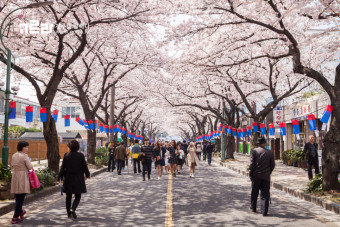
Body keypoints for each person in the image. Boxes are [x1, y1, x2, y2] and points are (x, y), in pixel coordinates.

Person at [58, 140, 91, 219]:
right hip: (78, 178)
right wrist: (88, 174)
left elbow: (63, 168)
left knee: (68, 196)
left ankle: (68, 213)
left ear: (69, 147)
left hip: (68, 178)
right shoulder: (81, 155)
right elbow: (84, 166)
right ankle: (73, 208)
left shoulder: (66, 155)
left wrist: (60, 176)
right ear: (78, 147)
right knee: (78, 196)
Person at [249, 137, 275, 216]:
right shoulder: (270, 152)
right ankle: (264, 211)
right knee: (265, 194)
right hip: (266, 176)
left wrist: (251, 173)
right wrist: (269, 172)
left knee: (254, 192)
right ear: (264, 144)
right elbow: (272, 165)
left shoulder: (254, 151)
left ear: (258, 144)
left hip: (256, 175)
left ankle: (253, 207)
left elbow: (251, 164)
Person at [10, 141, 33, 224]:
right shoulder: (24, 156)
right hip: (22, 177)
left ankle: (20, 212)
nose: (27, 148)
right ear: (23, 148)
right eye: (26, 147)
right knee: (20, 199)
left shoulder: (14, 155)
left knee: (17, 197)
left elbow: (12, 165)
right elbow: (30, 167)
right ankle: (15, 217)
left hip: (15, 176)